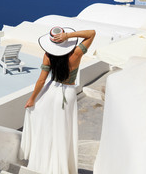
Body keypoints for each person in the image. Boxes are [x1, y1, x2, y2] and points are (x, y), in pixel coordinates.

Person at [19, 27, 96, 174]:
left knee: (47, 128)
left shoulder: (48, 56)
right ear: (63, 42)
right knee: (63, 130)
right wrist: (68, 35)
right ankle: (60, 166)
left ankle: (44, 163)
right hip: (68, 95)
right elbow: (91, 33)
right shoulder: (76, 53)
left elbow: (41, 81)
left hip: (51, 91)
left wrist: (32, 99)